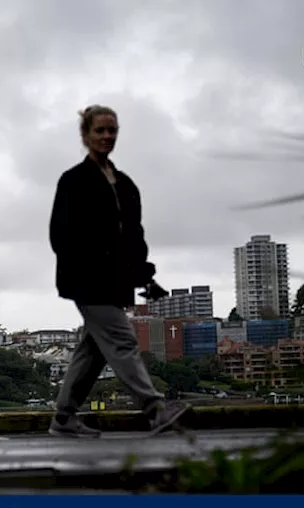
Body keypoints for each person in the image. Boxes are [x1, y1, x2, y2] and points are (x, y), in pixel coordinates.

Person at [47, 104, 188, 438]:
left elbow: (133, 236)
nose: (107, 136)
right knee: (123, 339)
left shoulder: (125, 184)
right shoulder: (74, 181)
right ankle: (155, 409)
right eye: (100, 130)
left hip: (114, 281)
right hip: (86, 281)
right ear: (85, 135)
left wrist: (145, 276)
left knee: (93, 352)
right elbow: (60, 235)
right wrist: (84, 269)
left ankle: (63, 418)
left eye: (112, 130)